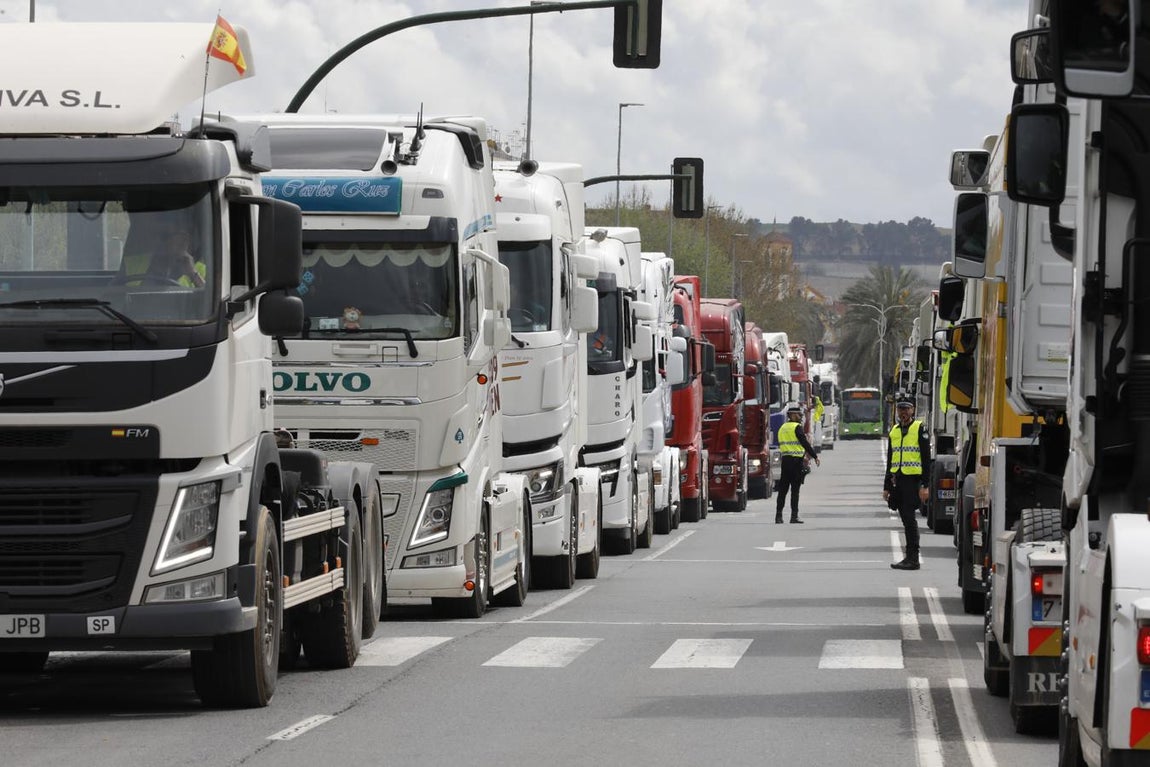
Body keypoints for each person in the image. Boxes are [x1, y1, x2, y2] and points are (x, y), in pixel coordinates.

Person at [885, 396, 932, 570]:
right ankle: (910, 557)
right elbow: (891, 459)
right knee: (905, 519)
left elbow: (926, 459)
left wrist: (925, 485)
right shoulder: (894, 430)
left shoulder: (920, 428)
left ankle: (913, 558)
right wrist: (886, 487)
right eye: (900, 409)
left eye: (907, 409)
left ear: (912, 410)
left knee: (909, 519)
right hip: (898, 481)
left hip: (913, 481)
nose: (903, 412)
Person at [775, 402, 820, 524]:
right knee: (795, 491)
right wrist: (815, 456)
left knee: (782, 491)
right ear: (792, 415)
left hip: (785, 461)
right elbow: (804, 443)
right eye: (799, 415)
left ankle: (778, 516)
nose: (800, 417)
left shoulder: (782, 428)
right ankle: (794, 516)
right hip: (796, 462)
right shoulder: (796, 427)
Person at [121, 227, 206, 288]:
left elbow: (209, 298)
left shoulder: (200, 269)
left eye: (185, 240)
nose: (183, 244)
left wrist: (193, 274)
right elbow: (116, 295)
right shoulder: (132, 264)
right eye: (176, 238)